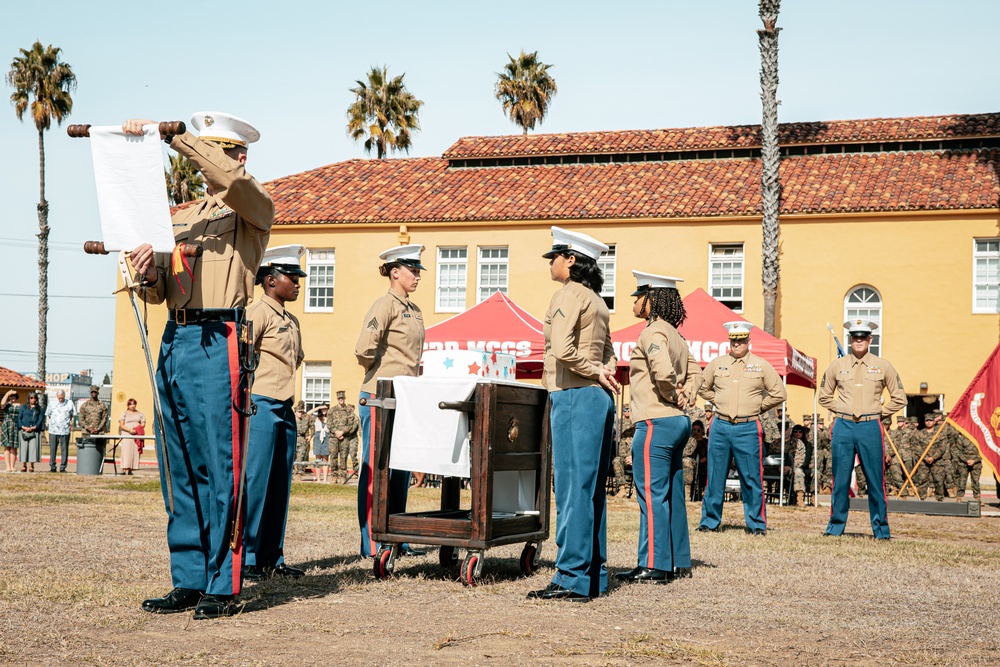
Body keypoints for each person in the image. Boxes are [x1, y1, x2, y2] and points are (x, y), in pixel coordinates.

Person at [126, 112, 274, 619]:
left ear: (238, 155)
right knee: (180, 467)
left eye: (219, 149)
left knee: (221, 464)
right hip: (178, 335)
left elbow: (230, 183)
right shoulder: (181, 217)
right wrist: (147, 274)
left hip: (220, 337)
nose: (214, 159)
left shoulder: (252, 207)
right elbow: (160, 290)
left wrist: (177, 139)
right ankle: (189, 577)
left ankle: (223, 581)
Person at [527, 226, 618, 602]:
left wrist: (595, 371)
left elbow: (562, 349)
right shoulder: (598, 301)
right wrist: (601, 370)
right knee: (591, 491)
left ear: (572, 260)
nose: (552, 264)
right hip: (595, 397)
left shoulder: (568, 293)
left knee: (570, 490)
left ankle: (569, 576)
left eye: (556, 257)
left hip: (574, 394)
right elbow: (609, 353)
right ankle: (592, 575)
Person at [616, 271, 701, 585]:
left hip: (655, 420)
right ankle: (676, 560)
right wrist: (685, 396)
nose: (635, 302)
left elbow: (662, 371)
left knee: (651, 496)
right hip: (677, 421)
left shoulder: (653, 332)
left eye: (639, 296)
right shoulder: (677, 335)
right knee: (672, 495)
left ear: (653, 299)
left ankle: (654, 565)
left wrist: (670, 393)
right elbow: (696, 373)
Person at [355, 244, 428, 559]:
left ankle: (397, 537)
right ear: (395, 271)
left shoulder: (414, 310)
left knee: (399, 471)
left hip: (405, 397)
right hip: (380, 396)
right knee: (377, 470)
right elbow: (363, 348)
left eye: (418, 271)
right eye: (412, 270)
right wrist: (381, 373)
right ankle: (373, 540)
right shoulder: (384, 305)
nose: (417, 277)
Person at [244, 245, 307, 582]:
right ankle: (249, 557)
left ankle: (272, 556)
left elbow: (294, 359)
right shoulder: (257, 313)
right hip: (261, 404)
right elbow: (241, 359)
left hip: (284, 406)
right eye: (292, 277)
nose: (297, 283)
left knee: (280, 484)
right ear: (271, 279)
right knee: (256, 482)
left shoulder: (290, 319)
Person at [697, 321, 786, 535]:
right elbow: (701, 386)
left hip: (748, 427)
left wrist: (758, 407)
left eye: (741, 340)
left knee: (751, 477)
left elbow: (779, 393)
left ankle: (756, 524)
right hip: (720, 425)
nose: (737, 344)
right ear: (730, 341)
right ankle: (709, 522)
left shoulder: (761, 365)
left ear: (749, 341)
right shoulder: (717, 363)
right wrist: (716, 399)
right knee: (715, 476)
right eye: (734, 340)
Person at [819, 320, 906, 540]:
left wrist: (880, 412)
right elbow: (823, 395)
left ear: (870, 339)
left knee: (876, 480)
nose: (859, 341)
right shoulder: (836, 366)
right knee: (839, 480)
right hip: (844, 426)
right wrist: (841, 409)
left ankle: (881, 531)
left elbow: (900, 398)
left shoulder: (883, 366)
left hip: (870, 426)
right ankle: (835, 527)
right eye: (855, 337)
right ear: (850, 340)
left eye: (863, 337)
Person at [329, 390, 359, 482]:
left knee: (343, 457)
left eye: (342, 398)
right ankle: (334, 475)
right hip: (334, 437)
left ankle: (342, 475)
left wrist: (342, 432)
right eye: (339, 398)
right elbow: (329, 424)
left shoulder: (349, 410)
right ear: (337, 399)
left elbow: (351, 424)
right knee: (333, 456)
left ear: (344, 398)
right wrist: (336, 432)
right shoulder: (332, 410)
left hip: (344, 437)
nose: (341, 399)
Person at [45, 389, 76, 473]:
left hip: (65, 430)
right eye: (59, 398)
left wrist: (67, 422)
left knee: (64, 449)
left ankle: (63, 467)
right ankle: (52, 466)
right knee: (52, 449)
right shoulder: (52, 404)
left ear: (64, 396)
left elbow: (72, 415)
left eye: (62, 398)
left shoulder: (69, 403)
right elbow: (48, 415)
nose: (60, 399)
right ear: (57, 397)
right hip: (53, 430)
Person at [610, 405, 634, 497]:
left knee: (642, 461)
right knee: (617, 460)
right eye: (625, 410)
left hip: (639, 458)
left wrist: (634, 457)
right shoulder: (626, 433)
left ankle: (637, 490)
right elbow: (621, 449)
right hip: (626, 458)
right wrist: (627, 457)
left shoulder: (643, 431)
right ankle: (622, 488)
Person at [118, 398, 147, 475]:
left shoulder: (140, 414)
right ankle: (124, 468)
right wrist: (129, 430)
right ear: (128, 405)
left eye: (134, 404)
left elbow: (143, 424)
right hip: (127, 433)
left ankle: (131, 468)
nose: (132, 406)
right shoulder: (124, 413)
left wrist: (137, 429)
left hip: (136, 434)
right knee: (126, 450)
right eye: (130, 404)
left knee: (135, 450)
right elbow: (121, 424)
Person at [17, 393, 43, 472]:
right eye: (31, 398)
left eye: (34, 398)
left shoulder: (39, 408)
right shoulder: (23, 407)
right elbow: (19, 418)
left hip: (34, 431)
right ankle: (24, 465)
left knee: (33, 448)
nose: (33, 399)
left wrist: (34, 427)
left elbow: (40, 419)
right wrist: (23, 427)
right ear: (28, 398)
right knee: (24, 448)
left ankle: (32, 466)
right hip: (24, 430)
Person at [683, 420, 708, 501]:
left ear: (702, 430)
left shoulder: (706, 442)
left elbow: (709, 455)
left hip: (703, 466)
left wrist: (700, 461)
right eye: (694, 430)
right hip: (691, 465)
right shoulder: (690, 442)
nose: (696, 432)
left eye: (698, 430)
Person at [293, 401, 315, 481]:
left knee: (300, 457)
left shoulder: (307, 417)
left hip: (302, 440)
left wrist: (310, 436)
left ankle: (299, 474)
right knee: (292, 457)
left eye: (301, 412)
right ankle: (291, 474)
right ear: (295, 412)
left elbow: (312, 427)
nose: (300, 413)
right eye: (299, 412)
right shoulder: (291, 418)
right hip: (293, 439)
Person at [311, 405, 331, 483]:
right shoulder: (316, 418)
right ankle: (318, 479)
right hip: (318, 438)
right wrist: (318, 407)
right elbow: (307, 414)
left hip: (326, 437)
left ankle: (325, 479)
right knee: (318, 459)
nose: (324, 410)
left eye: (325, 409)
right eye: (322, 409)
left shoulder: (330, 418)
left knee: (325, 460)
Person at [2, 390, 20, 472]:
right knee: (7, 446)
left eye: (14, 396)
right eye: (11, 396)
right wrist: (7, 393)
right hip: (7, 425)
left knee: (14, 447)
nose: (12, 397)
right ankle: (8, 466)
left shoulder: (20, 405)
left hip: (15, 426)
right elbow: (2, 403)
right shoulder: (6, 405)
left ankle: (12, 466)